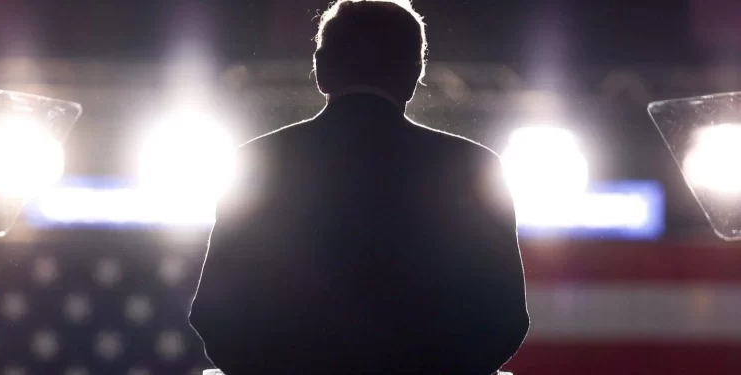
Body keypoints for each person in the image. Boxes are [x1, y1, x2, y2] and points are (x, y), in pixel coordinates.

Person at [189, 0, 529, 373]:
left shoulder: (256, 162)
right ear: (414, 75)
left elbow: (215, 315)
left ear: (321, 68)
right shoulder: (472, 166)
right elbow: (505, 319)